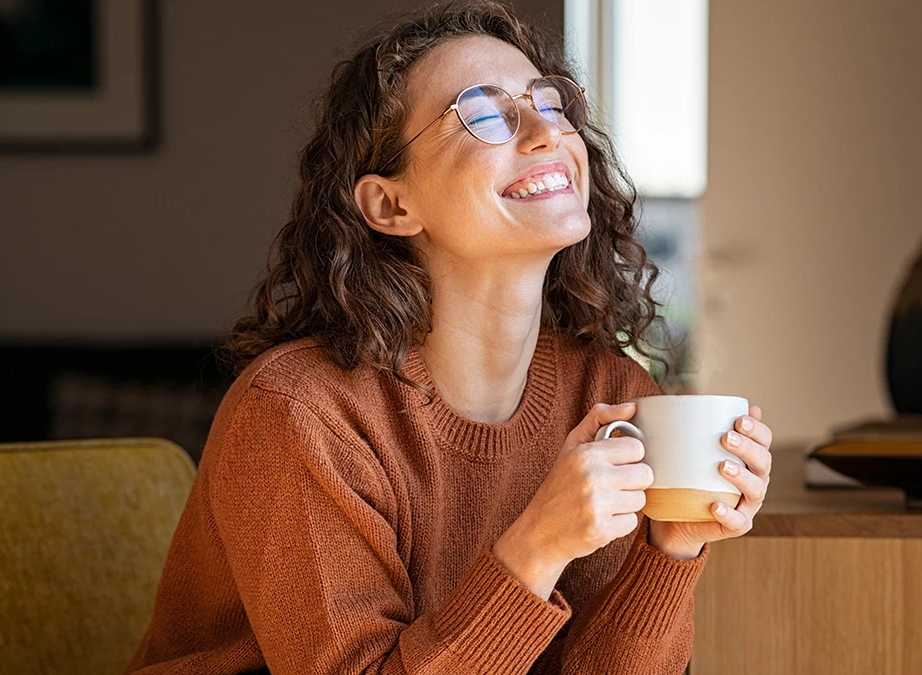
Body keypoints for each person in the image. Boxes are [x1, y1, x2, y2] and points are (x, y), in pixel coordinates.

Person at [125, 2, 773, 673]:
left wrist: (671, 546)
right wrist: (537, 546)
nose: (546, 133)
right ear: (391, 205)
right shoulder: (301, 414)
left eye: (550, 103)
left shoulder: (609, 393)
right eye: (484, 114)